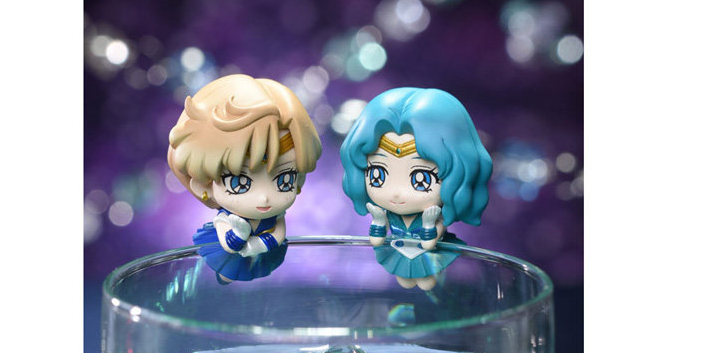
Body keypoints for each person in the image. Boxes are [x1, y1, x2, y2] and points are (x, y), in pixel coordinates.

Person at [168, 74, 322, 282]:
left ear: (299, 179)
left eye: (284, 180)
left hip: (263, 254)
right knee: (226, 274)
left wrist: (260, 244)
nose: (264, 198)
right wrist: (238, 236)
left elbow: (278, 233)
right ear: (203, 185)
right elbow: (226, 241)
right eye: (239, 183)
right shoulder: (225, 219)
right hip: (231, 253)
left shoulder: (275, 216)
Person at [340, 87, 492, 290]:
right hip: (399, 255)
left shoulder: (433, 217)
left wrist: (428, 223)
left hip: (427, 257)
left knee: (427, 283)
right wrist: (378, 221)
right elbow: (376, 241)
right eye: (378, 175)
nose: (396, 192)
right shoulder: (390, 216)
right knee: (405, 281)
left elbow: (429, 244)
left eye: (421, 179)